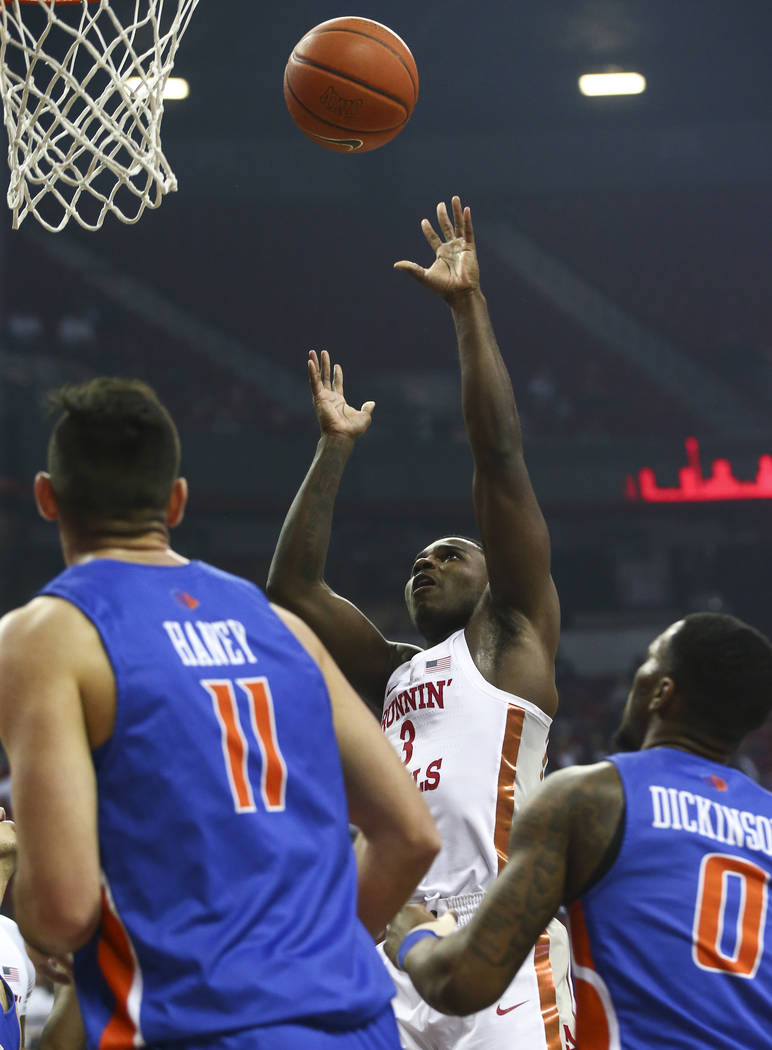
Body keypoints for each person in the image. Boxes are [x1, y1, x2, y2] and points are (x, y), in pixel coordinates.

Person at [0, 378, 440, 1050]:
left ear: (45, 497)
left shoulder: (43, 636)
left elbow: (61, 912)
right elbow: (412, 835)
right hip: (356, 1025)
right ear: (175, 502)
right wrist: (310, 957)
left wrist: (26, 897)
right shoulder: (282, 628)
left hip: (202, 1027)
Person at [267, 196, 575, 1049]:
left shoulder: (512, 639)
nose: (425, 563)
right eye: (418, 560)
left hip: (496, 935)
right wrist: (334, 448)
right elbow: (292, 588)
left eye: (450, 553)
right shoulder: (395, 668)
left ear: (491, 575)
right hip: (388, 935)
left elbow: (499, 459)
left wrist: (468, 309)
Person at [385, 612, 772, 1050]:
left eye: (647, 663)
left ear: (663, 693)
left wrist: (413, 938)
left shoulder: (592, 797)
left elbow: (461, 982)